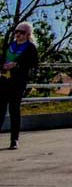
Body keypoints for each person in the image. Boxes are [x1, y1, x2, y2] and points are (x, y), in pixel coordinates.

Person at [0, 22, 39, 150]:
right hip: (4, 80)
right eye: (16, 31)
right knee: (0, 109)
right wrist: (3, 66)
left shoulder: (30, 48)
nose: (18, 34)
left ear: (27, 34)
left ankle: (14, 139)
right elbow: (2, 58)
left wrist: (16, 64)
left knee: (14, 109)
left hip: (18, 82)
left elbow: (33, 63)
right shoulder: (10, 45)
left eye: (21, 32)